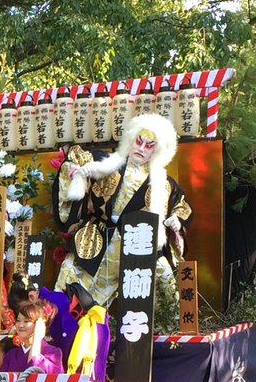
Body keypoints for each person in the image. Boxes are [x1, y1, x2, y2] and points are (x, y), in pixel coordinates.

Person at [53, 113, 191, 308]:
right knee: (68, 284)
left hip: (133, 247)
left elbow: (181, 206)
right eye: (139, 141)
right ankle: (59, 322)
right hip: (95, 237)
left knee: (162, 282)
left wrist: (176, 220)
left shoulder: (165, 185)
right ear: (130, 139)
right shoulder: (106, 163)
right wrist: (77, 172)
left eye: (149, 146)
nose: (141, 148)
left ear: (158, 151)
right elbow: (77, 157)